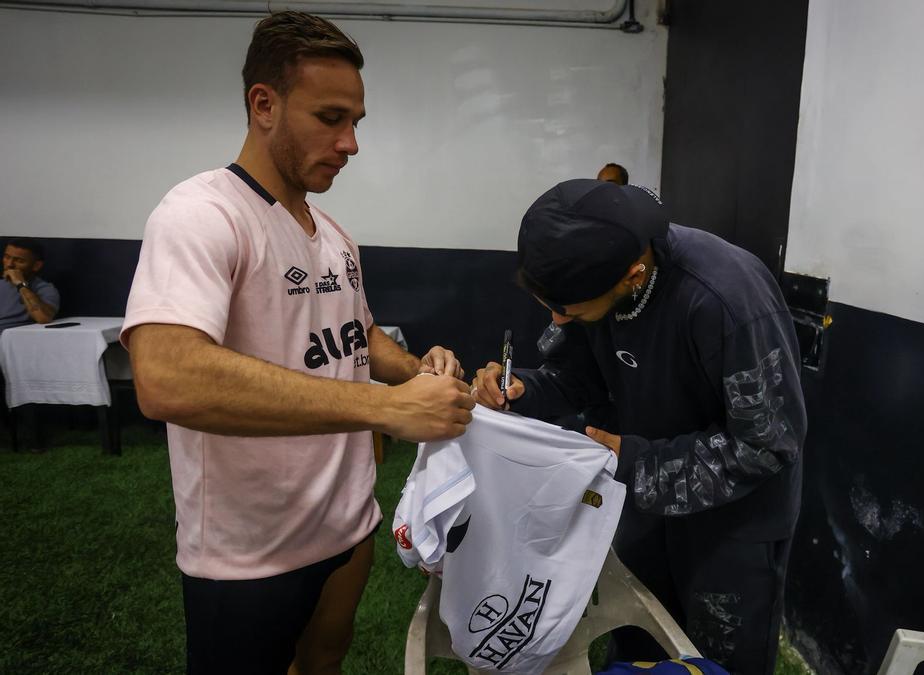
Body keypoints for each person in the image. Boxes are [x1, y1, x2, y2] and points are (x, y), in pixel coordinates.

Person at [122, 11, 474, 675]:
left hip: (345, 521)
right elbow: (167, 377)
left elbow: (357, 338)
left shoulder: (333, 232)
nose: (350, 142)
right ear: (264, 104)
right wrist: (384, 409)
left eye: (356, 122)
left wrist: (417, 372)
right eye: (331, 117)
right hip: (250, 551)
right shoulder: (201, 213)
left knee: (322, 659)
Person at [472, 179, 807, 674]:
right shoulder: (592, 278)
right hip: (639, 499)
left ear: (633, 276)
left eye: (568, 310)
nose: (558, 322)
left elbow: (766, 445)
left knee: (719, 661)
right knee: (636, 643)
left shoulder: (726, 300)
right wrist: (524, 388)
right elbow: (577, 377)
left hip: (731, 524)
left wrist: (634, 462)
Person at [1, 238, 60, 331]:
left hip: (12, 339)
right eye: (6, 257)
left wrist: (20, 284)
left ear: (36, 266)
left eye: (19, 261)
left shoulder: (45, 289)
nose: (9, 264)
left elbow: (43, 318)